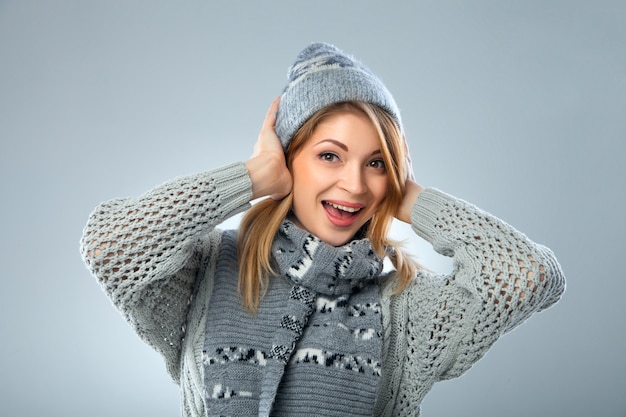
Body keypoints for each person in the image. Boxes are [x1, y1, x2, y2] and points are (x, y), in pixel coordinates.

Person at [80, 42, 565, 417]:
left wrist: (410, 197)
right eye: (329, 155)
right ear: (289, 160)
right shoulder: (206, 271)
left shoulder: (404, 308)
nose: (354, 184)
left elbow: (530, 274)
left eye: (375, 163)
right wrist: (251, 178)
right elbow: (111, 247)